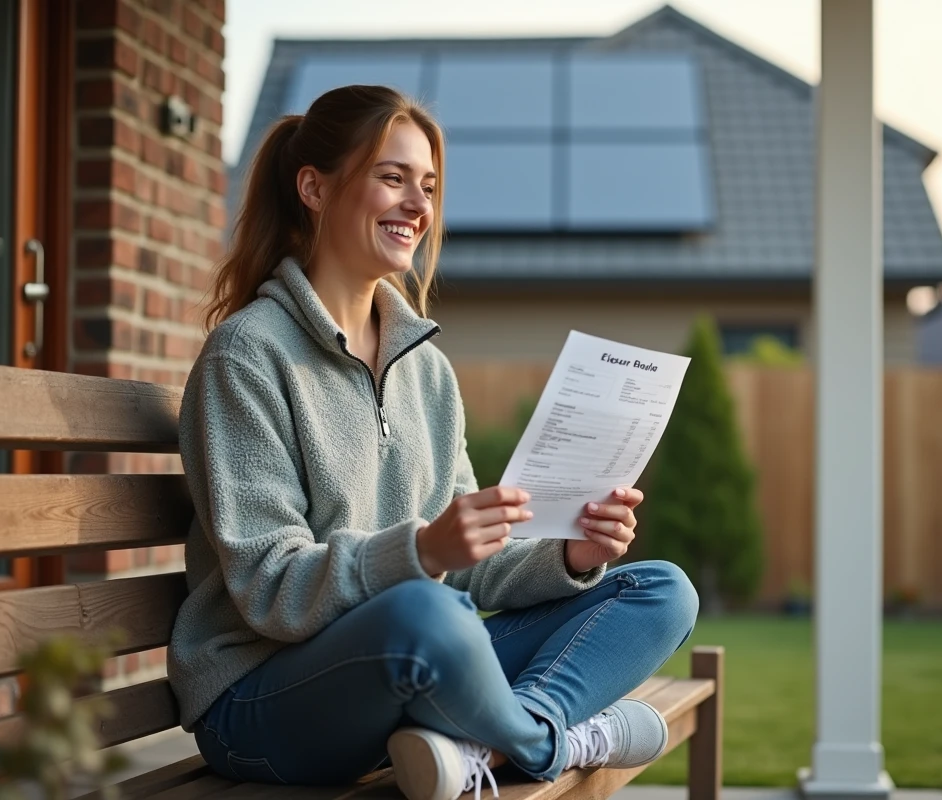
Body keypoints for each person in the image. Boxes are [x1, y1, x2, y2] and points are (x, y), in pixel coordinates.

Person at [169, 84, 699, 800]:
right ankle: (554, 742)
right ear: (314, 188)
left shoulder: (427, 370)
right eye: (392, 178)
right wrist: (420, 555)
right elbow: (269, 591)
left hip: (399, 663)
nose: (418, 206)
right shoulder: (246, 358)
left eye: (428, 186)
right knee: (431, 612)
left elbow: (473, 564)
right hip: (259, 701)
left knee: (659, 590)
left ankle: (495, 739)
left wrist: (570, 556)